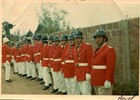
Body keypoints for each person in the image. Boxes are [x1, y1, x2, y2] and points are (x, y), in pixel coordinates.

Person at [91, 29, 116, 95]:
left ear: (104, 39)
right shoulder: (96, 49)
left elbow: (110, 66)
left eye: (100, 37)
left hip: (103, 81)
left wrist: (108, 80)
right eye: (96, 38)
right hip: (96, 81)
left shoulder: (109, 50)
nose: (97, 39)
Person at [74, 30, 93, 95]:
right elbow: (76, 62)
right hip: (79, 72)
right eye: (76, 38)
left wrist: (88, 72)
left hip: (85, 72)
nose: (77, 40)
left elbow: (90, 60)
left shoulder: (87, 46)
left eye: (79, 38)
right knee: (82, 91)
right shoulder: (76, 48)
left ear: (82, 38)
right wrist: (75, 74)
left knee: (86, 92)